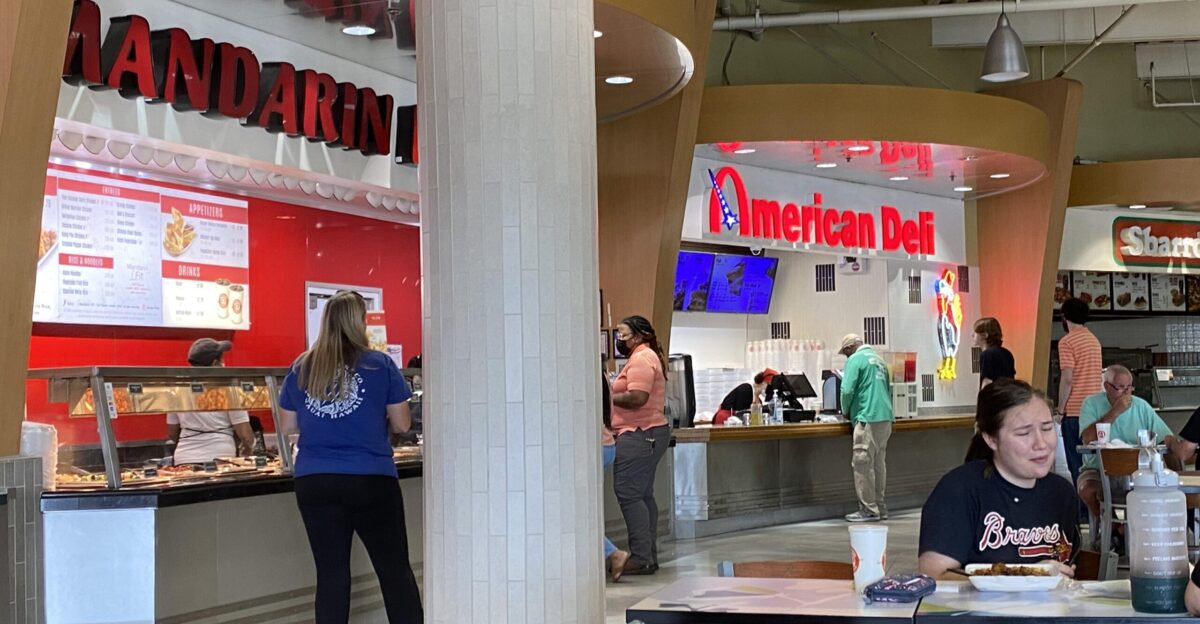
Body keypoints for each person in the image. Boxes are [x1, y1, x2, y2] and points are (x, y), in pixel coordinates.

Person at [278, 291, 422, 624]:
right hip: (371, 478)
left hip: (315, 480)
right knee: (393, 571)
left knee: (331, 575)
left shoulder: (303, 365)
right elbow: (401, 422)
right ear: (358, 322)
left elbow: (287, 427)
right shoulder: (379, 363)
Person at [919, 380, 1079, 580]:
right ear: (991, 439)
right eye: (1024, 433)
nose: (1041, 443)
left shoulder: (1061, 493)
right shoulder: (959, 491)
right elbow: (934, 575)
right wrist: (1023, 578)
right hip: (980, 610)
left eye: (1047, 429)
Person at [1076, 365, 1188, 518]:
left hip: (1138, 470)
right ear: (1107, 387)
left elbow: (1164, 435)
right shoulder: (1091, 404)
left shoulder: (1140, 405)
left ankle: (1138, 526)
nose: (1126, 392)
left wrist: (1176, 445)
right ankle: (1114, 528)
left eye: (1129, 387)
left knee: (1158, 484)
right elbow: (1087, 439)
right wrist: (1115, 412)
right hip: (1098, 468)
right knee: (1087, 489)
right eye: (1120, 387)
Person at [611, 315, 670, 577]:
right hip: (647, 433)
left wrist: (607, 399)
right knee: (643, 495)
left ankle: (642, 557)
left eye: (623, 335)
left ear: (638, 335)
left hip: (639, 433)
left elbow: (637, 397)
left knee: (629, 493)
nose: (619, 340)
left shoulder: (641, 359)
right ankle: (647, 556)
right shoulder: (644, 357)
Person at [167, 338, 256, 464]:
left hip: (184, 459)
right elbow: (245, 435)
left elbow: (172, 433)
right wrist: (248, 450)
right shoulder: (229, 390)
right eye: (222, 359)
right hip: (221, 457)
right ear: (215, 364)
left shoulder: (178, 390)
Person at [839, 334, 894, 523]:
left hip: (867, 417)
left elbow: (846, 390)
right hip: (885, 417)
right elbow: (887, 388)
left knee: (862, 464)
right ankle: (880, 506)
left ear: (849, 349)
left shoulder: (855, 360)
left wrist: (845, 411)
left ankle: (868, 510)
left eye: (845, 353)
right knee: (879, 464)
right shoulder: (879, 360)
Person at [1056, 297, 1103, 501]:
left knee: (1077, 466)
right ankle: (1097, 506)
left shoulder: (1067, 341)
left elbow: (1067, 379)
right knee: (1093, 465)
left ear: (1064, 317)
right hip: (1095, 413)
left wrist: (1060, 410)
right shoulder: (1093, 340)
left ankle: (1083, 511)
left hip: (1075, 412)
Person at [600, 367, 630, 581]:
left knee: (573, 513)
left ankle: (612, 552)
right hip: (607, 443)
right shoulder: (600, 375)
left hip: (595, 447)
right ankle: (610, 552)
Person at [712, 369, 777, 426]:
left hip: (736, 422)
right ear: (763, 383)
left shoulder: (758, 399)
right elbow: (740, 414)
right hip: (726, 420)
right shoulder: (746, 389)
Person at [974, 317, 1015, 388]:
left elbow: (987, 382)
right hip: (1008, 396)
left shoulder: (986, 355)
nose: (973, 335)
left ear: (985, 335)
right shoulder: (1007, 353)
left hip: (994, 397)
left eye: (975, 333)